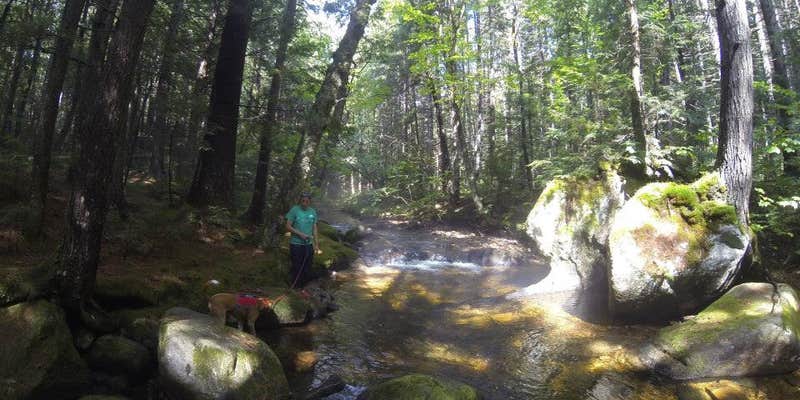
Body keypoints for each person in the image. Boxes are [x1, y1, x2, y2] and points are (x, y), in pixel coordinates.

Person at [285, 192, 321, 288]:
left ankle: (304, 288)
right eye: (303, 201)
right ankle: (295, 287)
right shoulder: (294, 210)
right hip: (296, 244)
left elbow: (314, 228)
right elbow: (288, 226)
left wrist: (316, 244)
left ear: (310, 202)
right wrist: (300, 234)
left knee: (307, 267)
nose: (304, 203)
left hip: (308, 244)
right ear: (300, 201)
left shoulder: (312, 212)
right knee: (297, 267)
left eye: (307, 201)